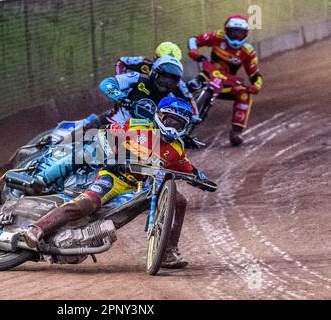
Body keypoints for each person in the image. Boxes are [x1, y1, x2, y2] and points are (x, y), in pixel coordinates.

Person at [24, 96, 216, 269]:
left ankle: (167, 252)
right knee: (86, 204)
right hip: (115, 177)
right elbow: (104, 134)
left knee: (180, 201)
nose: (173, 127)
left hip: (145, 185)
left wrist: (202, 179)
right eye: (170, 121)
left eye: (179, 125)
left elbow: (188, 168)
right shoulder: (137, 126)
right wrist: (114, 158)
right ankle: (37, 229)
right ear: (159, 116)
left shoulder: (176, 148)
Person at [187, 15, 263, 146]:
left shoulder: (248, 52)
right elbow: (194, 39)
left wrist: (256, 86)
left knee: (244, 94)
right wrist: (194, 50)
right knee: (188, 87)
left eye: (240, 33)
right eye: (233, 31)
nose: (236, 36)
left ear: (246, 34)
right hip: (207, 76)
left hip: (227, 84)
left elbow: (255, 75)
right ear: (226, 30)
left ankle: (236, 132)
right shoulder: (217, 37)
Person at [100, 54, 200, 125]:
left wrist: (184, 131)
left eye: (171, 82)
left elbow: (176, 118)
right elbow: (106, 83)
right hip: (116, 123)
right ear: (154, 73)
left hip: (143, 136)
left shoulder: (169, 99)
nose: (166, 84)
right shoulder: (138, 78)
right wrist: (122, 98)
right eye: (163, 78)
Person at [115, 41, 183, 75]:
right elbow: (121, 61)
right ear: (155, 58)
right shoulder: (145, 62)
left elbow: (188, 97)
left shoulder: (175, 77)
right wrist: (121, 86)